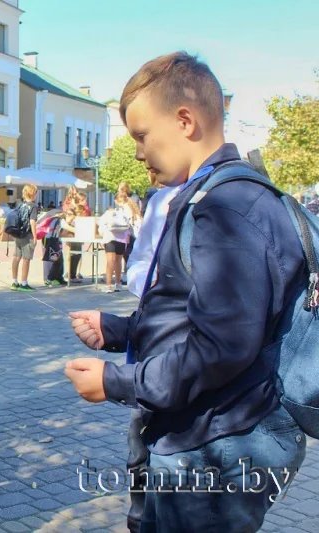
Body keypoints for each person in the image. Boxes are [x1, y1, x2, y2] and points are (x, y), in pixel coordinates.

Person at [65, 51, 306, 532]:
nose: (136, 153)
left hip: (217, 444)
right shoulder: (212, 195)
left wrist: (117, 382)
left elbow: (219, 347)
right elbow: (196, 314)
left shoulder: (226, 206)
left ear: (184, 120)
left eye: (141, 135)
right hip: (204, 433)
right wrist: (118, 329)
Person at [97, 184, 140, 292]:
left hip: (110, 236)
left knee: (110, 261)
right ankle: (118, 283)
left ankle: (108, 285)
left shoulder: (113, 211)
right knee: (118, 260)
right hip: (123, 237)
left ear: (116, 200)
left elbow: (101, 222)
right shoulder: (131, 207)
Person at [10, 183, 38, 291]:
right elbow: (32, 222)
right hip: (27, 236)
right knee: (26, 259)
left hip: (18, 235)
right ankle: (24, 283)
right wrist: (35, 236)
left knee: (16, 257)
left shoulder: (20, 205)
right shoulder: (33, 206)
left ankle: (14, 281)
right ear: (32, 193)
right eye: (35, 192)